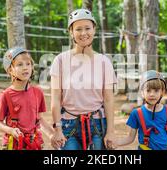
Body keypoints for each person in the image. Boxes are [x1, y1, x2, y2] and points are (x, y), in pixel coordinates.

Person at [49, 9, 117, 150]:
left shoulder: (105, 62)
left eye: (87, 28)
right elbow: (55, 99)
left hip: (97, 124)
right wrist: (57, 129)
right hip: (68, 125)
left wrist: (111, 132)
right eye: (78, 29)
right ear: (71, 32)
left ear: (94, 29)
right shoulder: (60, 60)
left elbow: (109, 99)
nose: (83, 33)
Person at [0, 47, 54, 150]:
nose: (25, 68)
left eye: (28, 64)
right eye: (20, 64)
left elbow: (40, 119)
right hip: (14, 144)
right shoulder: (5, 96)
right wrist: (10, 130)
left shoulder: (37, 93)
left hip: (34, 143)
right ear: (10, 70)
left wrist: (52, 135)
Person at [114, 70, 167, 150]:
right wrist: (115, 143)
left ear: (162, 92)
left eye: (156, 90)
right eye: (148, 90)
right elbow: (130, 138)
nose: (152, 94)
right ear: (142, 93)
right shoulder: (136, 113)